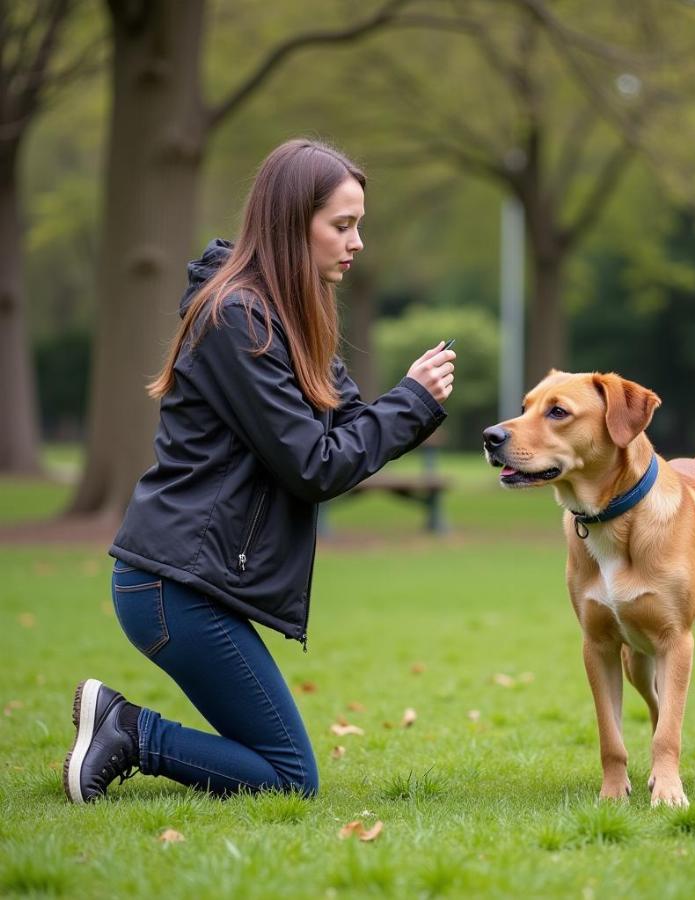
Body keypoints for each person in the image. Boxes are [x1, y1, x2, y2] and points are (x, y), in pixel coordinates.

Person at [63, 139, 455, 804]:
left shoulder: (290, 318)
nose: (357, 242)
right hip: (173, 587)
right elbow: (317, 465)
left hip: (194, 584)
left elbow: (348, 435)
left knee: (283, 770)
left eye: (358, 224)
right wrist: (410, 401)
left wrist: (407, 407)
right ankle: (126, 729)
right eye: (342, 224)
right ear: (289, 223)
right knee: (289, 776)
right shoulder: (237, 319)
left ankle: (124, 727)